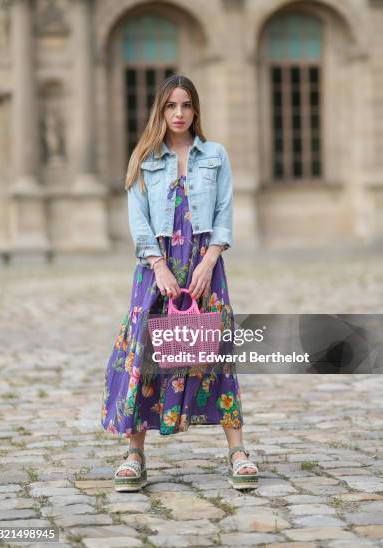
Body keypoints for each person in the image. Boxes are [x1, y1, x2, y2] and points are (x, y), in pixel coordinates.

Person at [101, 74, 258, 491]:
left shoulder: (216, 155)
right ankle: (135, 454)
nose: (179, 114)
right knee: (145, 355)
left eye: (186, 105)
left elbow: (224, 213)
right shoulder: (145, 157)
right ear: (160, 110)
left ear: (196, 110)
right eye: (171, 106)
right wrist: (159, 266)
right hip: (157, 270)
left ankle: (238, 452)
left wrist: (209, 261)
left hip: (205, 265)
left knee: (217, 353)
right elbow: (139, 222)